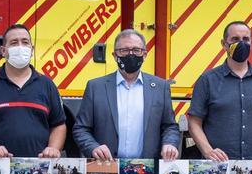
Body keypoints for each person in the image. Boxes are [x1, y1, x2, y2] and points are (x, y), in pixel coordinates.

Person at [0, 24, 66, 159]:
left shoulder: (47, 84)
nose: (20, 47)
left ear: (32, 50)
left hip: (39, 170)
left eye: (25, 42)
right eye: (14, 43)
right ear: (3, 51)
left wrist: (53, 148)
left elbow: (59, 125)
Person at [73, 29, 181, 161]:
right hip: (106, 168)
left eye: (136, 50)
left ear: (145, 54)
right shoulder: (95, 87)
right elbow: (81, 129)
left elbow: (170, 126)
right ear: (114, 55)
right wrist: (93, 147)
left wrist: (169, 144)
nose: (131, 54)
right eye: (124, 50)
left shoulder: (160, 87)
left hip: (147, 170)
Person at [188, 21, 252, 162]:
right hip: (218, 167)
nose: (241, 44)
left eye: (245, 39)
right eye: (235, 39)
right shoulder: (207, 80)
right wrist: (208, 151)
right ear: (224, 44)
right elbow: (194, 123)